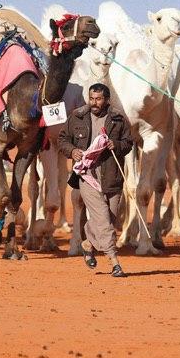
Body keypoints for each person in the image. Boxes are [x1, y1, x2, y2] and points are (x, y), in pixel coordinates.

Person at [57, 83, 133, 277]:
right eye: (92, 98)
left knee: (110, 220)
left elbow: (128, 143)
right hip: (87, 175)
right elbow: (63, 140)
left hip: (112, 176)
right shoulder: (77, 116)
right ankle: (114, 262)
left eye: (98, 99)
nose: (94, 102)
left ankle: (87, 243)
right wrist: (72, 151)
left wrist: (115, 144)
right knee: (104, 221)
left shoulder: (118, 119)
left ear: (107, 100)